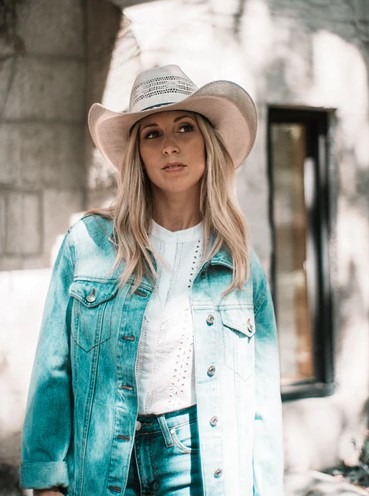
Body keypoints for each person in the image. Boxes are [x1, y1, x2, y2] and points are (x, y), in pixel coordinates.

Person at [20, 65, 284, 496]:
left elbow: (261, 404)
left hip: (197, 462)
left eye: (185, 128)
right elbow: (54, 368)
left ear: (207, 143)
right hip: (103, 459)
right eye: (152, 134)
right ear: (137, 153)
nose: (170, 147)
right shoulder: (88, 244)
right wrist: (47, 478)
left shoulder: (237, 263)